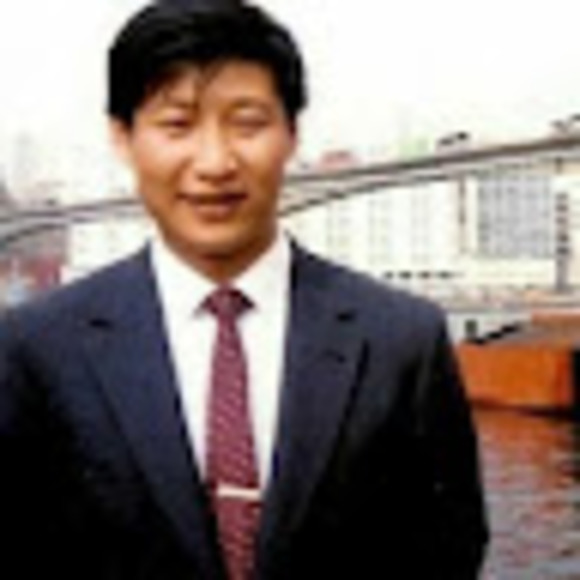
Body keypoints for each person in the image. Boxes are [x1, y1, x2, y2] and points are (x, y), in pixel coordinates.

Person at [0, 1, 488, 578]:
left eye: (247, 123)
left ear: (291, 134)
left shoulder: (400, 339)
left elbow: (448, 550)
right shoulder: (37, 345)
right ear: (123, 138)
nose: (215, 162)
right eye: (177, 125)